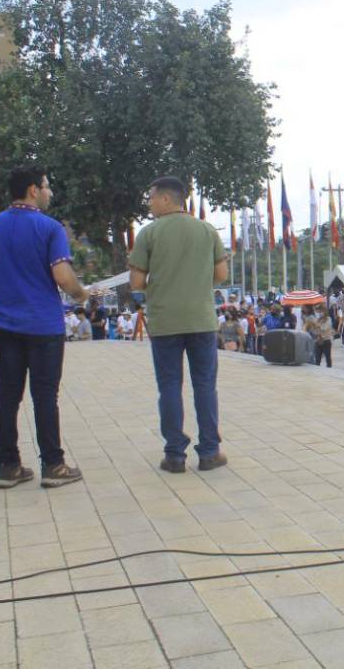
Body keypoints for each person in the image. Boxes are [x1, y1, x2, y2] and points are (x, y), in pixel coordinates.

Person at [0, 166, 90, 488]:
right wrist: (81, 293)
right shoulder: (49, 228)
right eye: (47, 186)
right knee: (44, 395)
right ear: (33, 190)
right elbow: (63, 277)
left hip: (3, 325)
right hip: (42, 325)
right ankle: (53, 465)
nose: (50, 192)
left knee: (7, 395)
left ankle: (8, 466)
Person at [129, 176, 229, 474]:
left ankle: (174, 455)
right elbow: (221, 274)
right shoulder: (207, 230)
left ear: (166, 199)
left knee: (170, 386)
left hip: (164, 321)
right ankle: (210, 452)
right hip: (201, 319)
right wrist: (197, 283)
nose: (149, 203)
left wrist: (160, 285)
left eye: (151, 197)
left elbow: (136, 282)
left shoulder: (148, 234)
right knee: (205, 386)